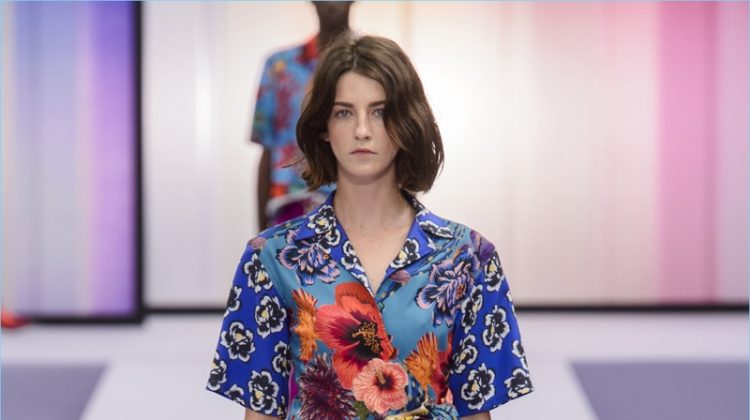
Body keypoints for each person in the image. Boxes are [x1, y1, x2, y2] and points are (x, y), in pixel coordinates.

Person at [208, 35, 534, 420]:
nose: (362, 130)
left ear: (406, 122)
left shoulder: (468, 259)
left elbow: (476, 411)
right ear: (324, 126)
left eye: (379, 112)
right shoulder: (272, 259)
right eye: (344, 113)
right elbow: (261, 411)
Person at [251, 2, 353, 230]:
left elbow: (398, 138)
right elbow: (267, 149)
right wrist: (260, 237)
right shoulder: (280, 67)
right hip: (291, 209)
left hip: (359, 204)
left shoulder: (376, 66)